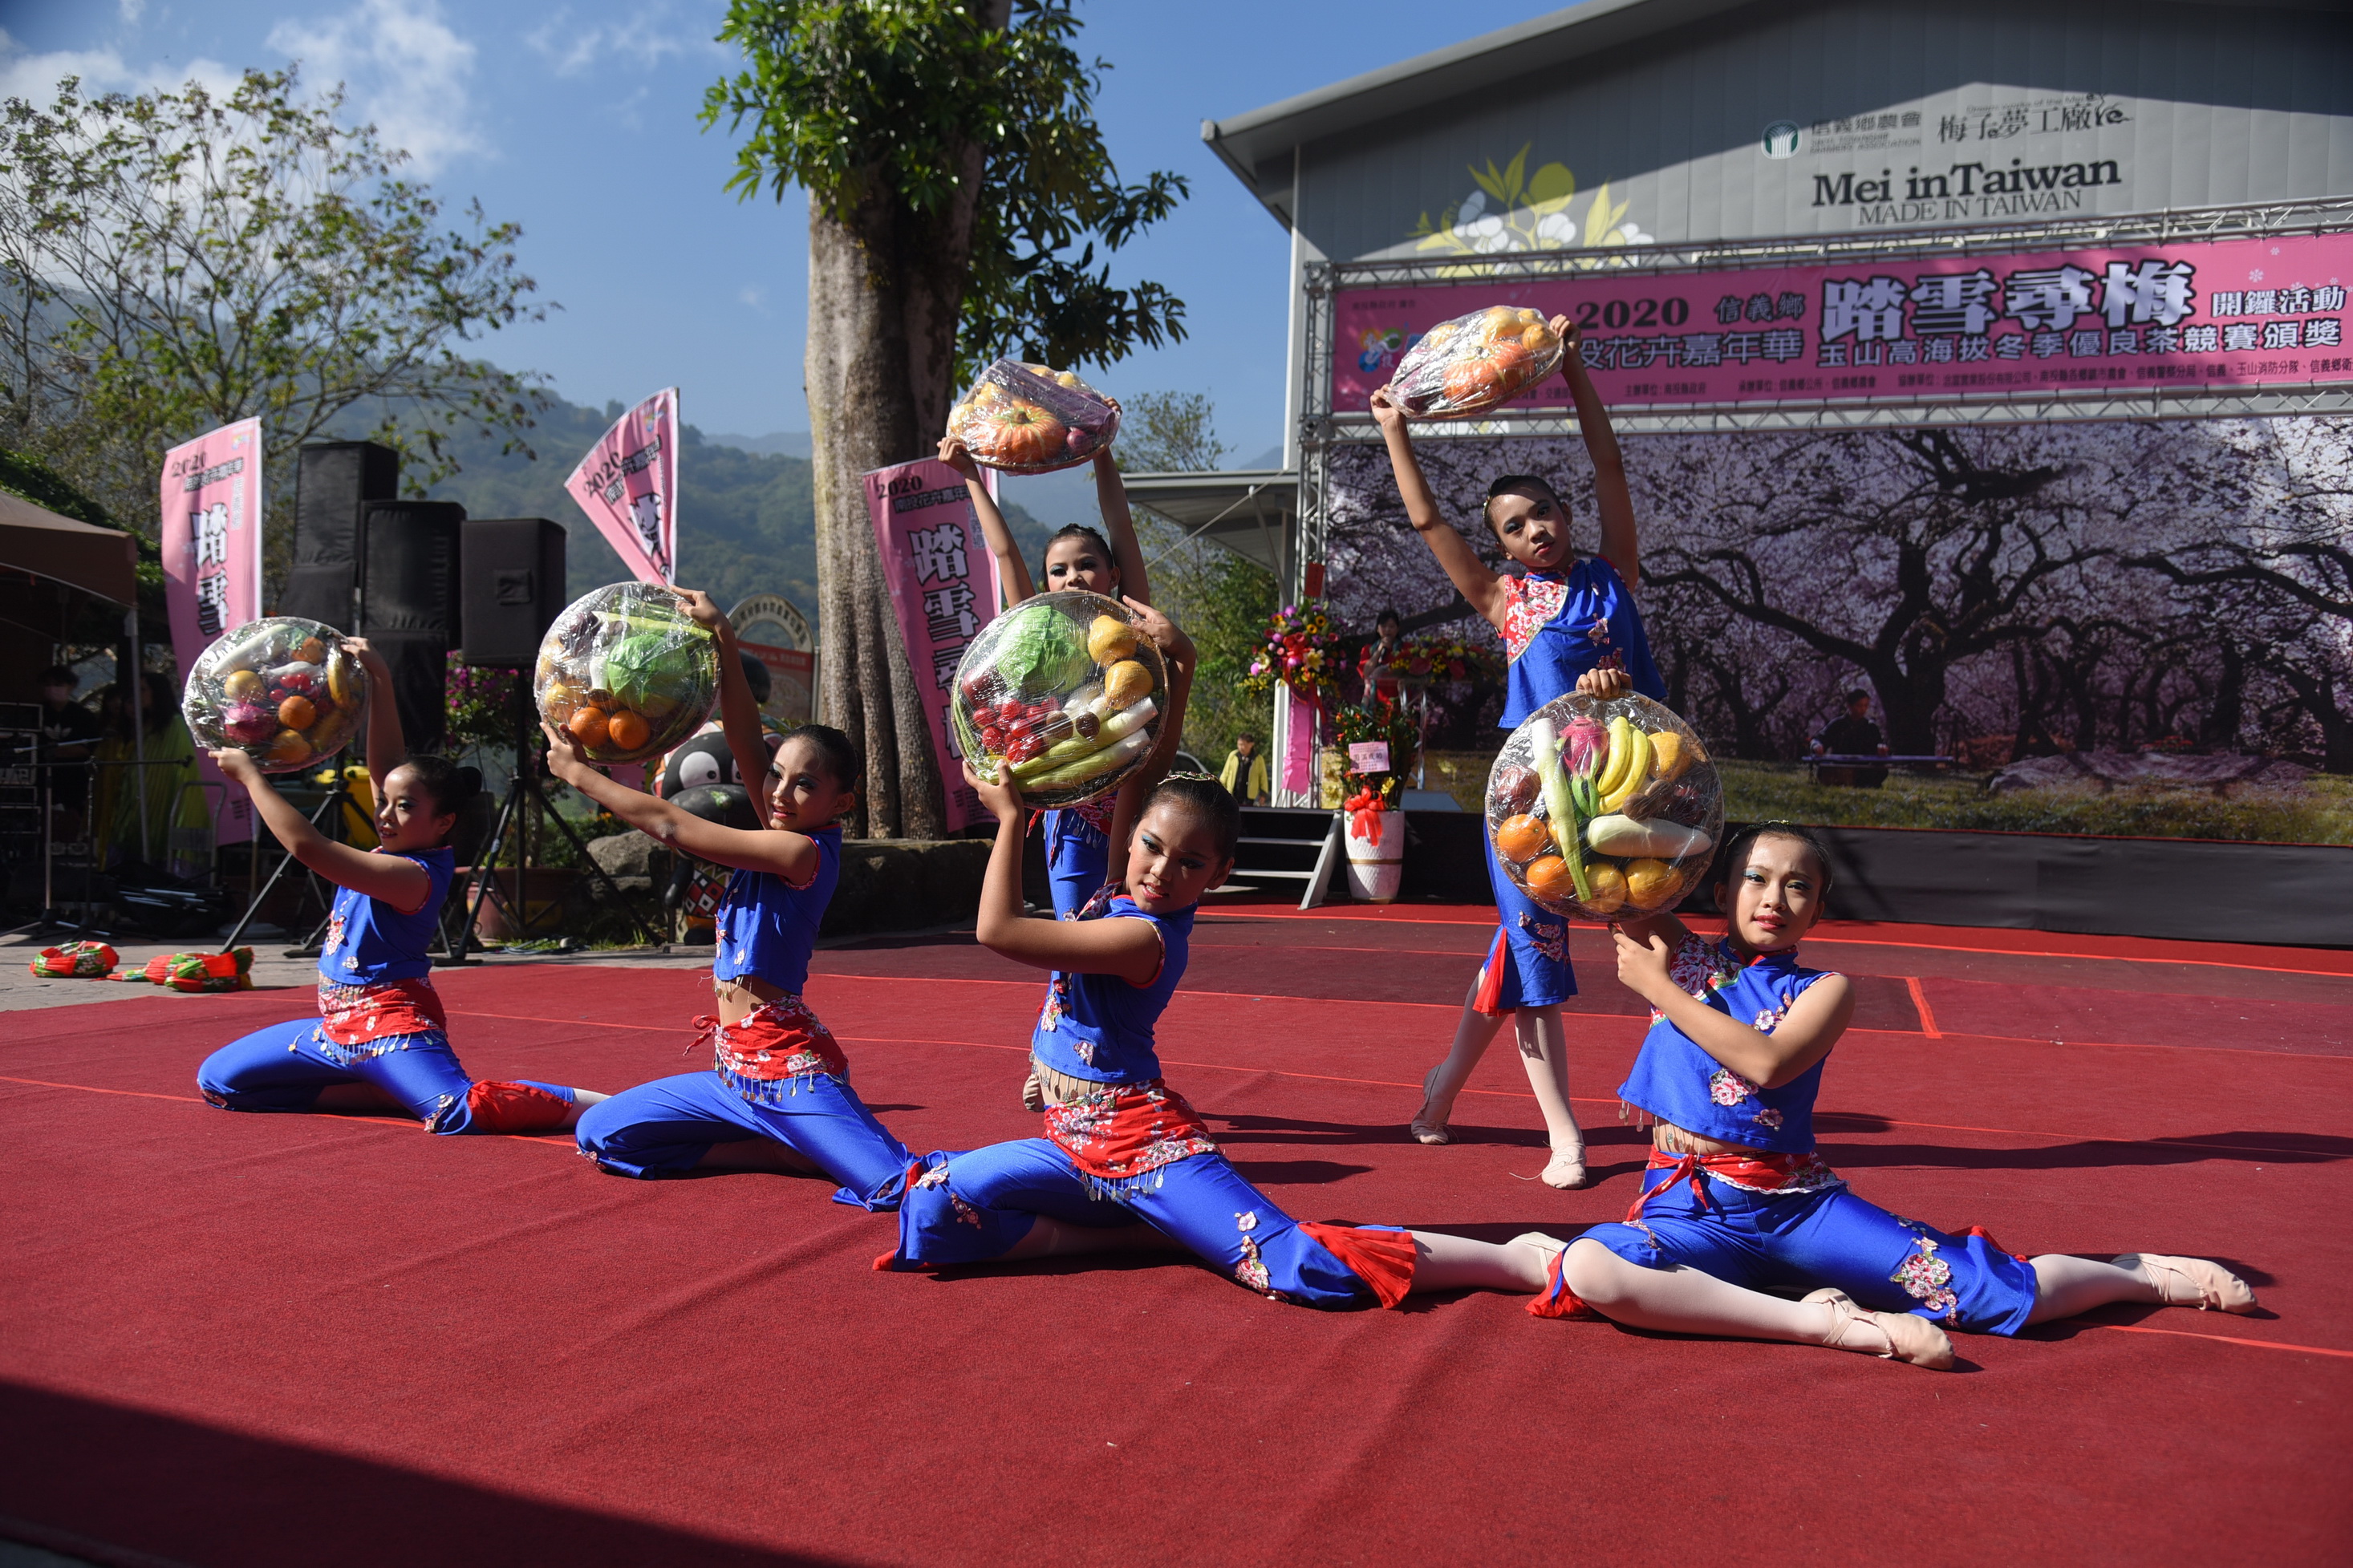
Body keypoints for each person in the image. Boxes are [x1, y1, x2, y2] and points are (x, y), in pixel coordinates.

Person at [877, 605, 1564, 1310]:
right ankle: (1149, 1232)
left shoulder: (1143, 935)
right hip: (1071, 1140)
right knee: (931, 1209)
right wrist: (1181, 668)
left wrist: (1015, 819)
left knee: (1296, 1265)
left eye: (1189, 861)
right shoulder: (1120, 887)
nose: (1160, 869)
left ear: (1219, 873)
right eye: (1150, 845)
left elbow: (997, 929)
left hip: (1138, 1138)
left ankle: (1509, 1258)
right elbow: (1139, 770)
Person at [1520, 821, 2256, 1368]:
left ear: (1818, 909)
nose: (1774, 897)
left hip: (1797, 1208)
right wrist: (1603, 702)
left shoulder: (1824, 989)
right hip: (1688, 1207)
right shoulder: (1683, 954)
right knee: (1593, 1265)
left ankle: (2141, 1274)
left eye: (1797, 884)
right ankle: (1821, 1320)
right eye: (1755, 876)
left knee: (1994, 1297)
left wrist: (1656, 989)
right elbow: (1594, 862)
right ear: (1717, 888)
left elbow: (1770, 1063)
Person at [1369, 318, 1662, 1189]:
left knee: (1648, 934)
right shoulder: (1505, 601)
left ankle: (1439, 1092)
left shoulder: (1615, 574)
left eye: (1541, 512)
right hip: (1530, 802)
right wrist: (1394, 429)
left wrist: (1573, 371)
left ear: (1563, 515)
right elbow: (1423, 517)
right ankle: (1563, 1135)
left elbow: (1608, 464)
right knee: (1534, 958)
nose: (1533, 528)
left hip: (1625, 784)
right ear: (1498, 546)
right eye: (1512, 524)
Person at [559, 592, 913, 1209]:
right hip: (734, 1070)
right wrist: (723, 634)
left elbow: (672, 826)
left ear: (841, 804)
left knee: (895, 1183)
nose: (780, 791)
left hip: (786, 1063)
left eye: (805, 784)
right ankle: (778, 1147)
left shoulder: (801, 853)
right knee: (601, 1132)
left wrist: (581, 775)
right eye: (777, 775)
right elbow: (746, 735)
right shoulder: (779, 824)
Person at [197, 639, 606, 1136]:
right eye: (385, 802)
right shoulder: (394, 848)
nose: (385, 814)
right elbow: (387, 762)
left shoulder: (413, 874)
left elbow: (309, 848)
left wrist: (253, 779)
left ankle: (602, 1105)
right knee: (221, 1081)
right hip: (334, 1030)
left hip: (392, 1028)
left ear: (444, 822)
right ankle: (380, 1089)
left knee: (458, 1113)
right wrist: (380, 681)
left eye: (405, 806)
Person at [91, 670, 210, 873]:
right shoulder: (132, 728)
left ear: (158, 693)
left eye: (143, 690)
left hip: (161, 811)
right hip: (128, 814)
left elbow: (177, 774)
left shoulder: (174, 726)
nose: (136, 695)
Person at [34, 663, 102, 833]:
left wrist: (58, 752)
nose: (52, 689)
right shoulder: (36, 713)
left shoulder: (83, 715)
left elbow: (90, 748)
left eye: (58, 685)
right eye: (48, 685)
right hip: (40, 778)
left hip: (75, 779)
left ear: (71, 686)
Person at [1811, 690, 1888, 758]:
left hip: (1865, 769)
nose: (1863, 709)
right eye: (1859, 705)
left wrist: (1882, 748)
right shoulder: (1838, 725)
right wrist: (1817, 746)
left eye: (1865, 705)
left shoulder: (1871, 727)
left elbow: (1880, 744)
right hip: (1840, 767)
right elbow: (1820, 739)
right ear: (1849, 706)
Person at [1218, 731, 1268, 806]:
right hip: (1232, 794)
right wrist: (1220, 788)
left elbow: (1263, 777)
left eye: (1243, 745)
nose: (1240, 747)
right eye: (1239, 744)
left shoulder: (1258, 759)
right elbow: (1225, 773)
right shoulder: (1233, 756)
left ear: (1251, 744)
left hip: (1249, 797)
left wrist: (1263, 794)